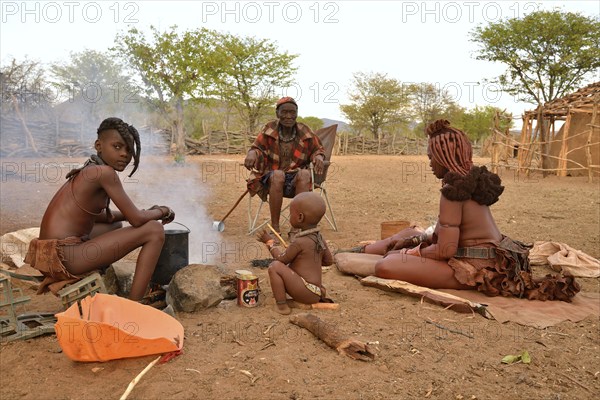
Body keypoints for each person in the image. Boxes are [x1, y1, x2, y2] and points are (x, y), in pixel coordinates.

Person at [352, 119, 579, 301]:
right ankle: (362, 250)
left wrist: (414, 253)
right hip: (494, 258)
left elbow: (446, 251)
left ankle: (367, 253)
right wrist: (416, 243)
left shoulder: (453, 191)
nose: (430, 164)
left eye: (432, 159)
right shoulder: (471, 181)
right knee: (406, 241)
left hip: (479, 268)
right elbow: (445, 235)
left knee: (387, 264)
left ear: (443, 158)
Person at [24, 117, 175, 302]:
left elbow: (100, 217)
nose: (124, 155)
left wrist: (142, 212)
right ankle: (135, 304)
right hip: (64, 258)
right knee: (154, 230)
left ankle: (98, 277)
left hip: (47, 256)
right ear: (98, 145)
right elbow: (137, 219)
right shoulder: (105, 173)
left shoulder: (91, 167)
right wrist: (163, 210)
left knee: (116, 225)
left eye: (129, 150)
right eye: (117, 147)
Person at [245, 97, 326, 236]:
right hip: (272, 179)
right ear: (277, 113)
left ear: (296, 113)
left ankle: (297, 230)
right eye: (284, 112)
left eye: (292, 112)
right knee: (278, 175)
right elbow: (256, 147)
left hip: (297, 181)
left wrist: (318, 156)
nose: (288, 116)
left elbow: (318, 149)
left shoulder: (304, 131)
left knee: (305, 174)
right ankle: (275, 228)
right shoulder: (269, 129)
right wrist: (252, 153)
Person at [257, 192, 334, 315]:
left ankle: (281, 306)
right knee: (287, 267)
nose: (289, 216)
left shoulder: (299, 242)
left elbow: (281, 259)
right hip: (317, 291)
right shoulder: (319, 238)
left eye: (290, 213)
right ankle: (307, 295)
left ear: (300, 217)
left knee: (275, 267)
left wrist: (270, 243)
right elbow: (328, 261)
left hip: (305, 293)